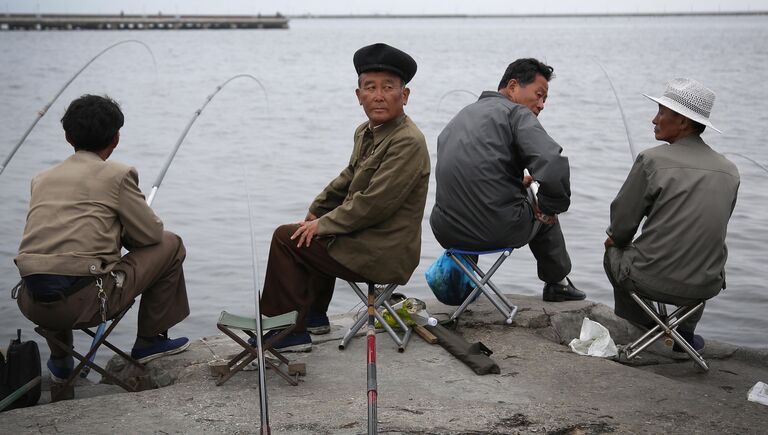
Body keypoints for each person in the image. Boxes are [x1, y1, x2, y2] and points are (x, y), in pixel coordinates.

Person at [257, 43, 430, 351]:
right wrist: (316, 212)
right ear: (358, 95)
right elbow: (348, 178)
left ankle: (287, 333)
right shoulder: (367, 131)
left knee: (286, 238)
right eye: (370, 87)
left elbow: (373, 204)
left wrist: (323, 225)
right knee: (305, 231)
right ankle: (313, 318)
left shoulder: (408, 141)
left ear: (404, 95)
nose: (378, 95)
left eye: (388, 87)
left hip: (385, 249)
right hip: (364, 237)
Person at [14, 95, 190, 382]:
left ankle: (60, 360)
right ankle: (149, 340)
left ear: (68, 136)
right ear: (116, 138)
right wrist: (122, 230)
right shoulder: (119, 174)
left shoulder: (41, 178)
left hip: (31, 302)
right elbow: (150, 235)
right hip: (86, 304)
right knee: (171, 243)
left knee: (54, 263)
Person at [430, 58, 585, 302]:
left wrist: (512, 181)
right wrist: (548, 206)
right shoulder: (516, 114)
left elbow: (471, 174)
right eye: (539, 94)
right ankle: (558, 283)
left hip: (446, 231)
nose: (542, 104)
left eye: (545, 99)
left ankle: (466, 280)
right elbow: (553, 166)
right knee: (542, 198)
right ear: (512, 87)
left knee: (483, 198)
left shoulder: (460, 116)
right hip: (497, 229)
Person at [604, 78, 739, 351]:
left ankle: (655, 328)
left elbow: (622, 225)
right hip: (706, 283)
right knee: (702, 248)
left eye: (662, 113)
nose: (654, 119)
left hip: (650, 279)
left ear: (683, 122)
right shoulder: (730, 171)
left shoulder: (652, 160)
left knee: (612, 252)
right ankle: (683, 334)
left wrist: (614, 240)